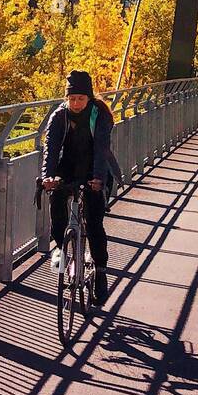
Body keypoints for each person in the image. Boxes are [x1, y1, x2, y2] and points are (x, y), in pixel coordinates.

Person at [40, 70, 114, 306]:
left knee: (94, 223)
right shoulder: (59, 116)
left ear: (89, 98)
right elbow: (50, 148)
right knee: (57, 214)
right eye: (72, 99)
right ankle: (62, 253)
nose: (76, 103)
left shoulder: (100, 115)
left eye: (80, 98)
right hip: (67, 168)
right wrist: (48, 176)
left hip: (95, 169)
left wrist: (99, 179)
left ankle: (100, 273)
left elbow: (102, 149)